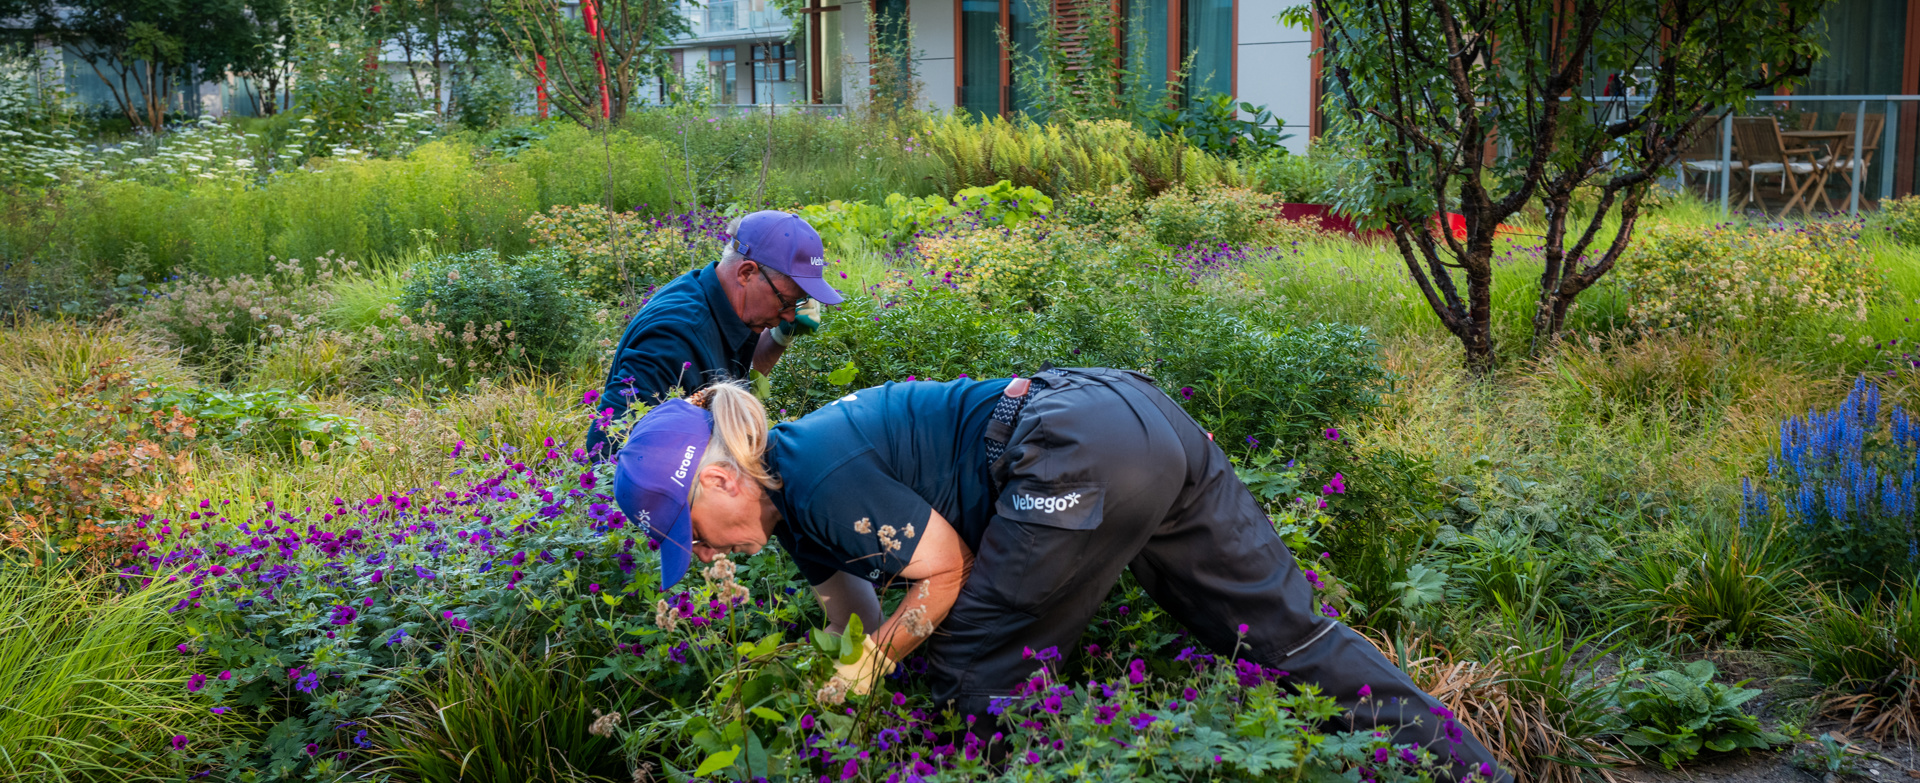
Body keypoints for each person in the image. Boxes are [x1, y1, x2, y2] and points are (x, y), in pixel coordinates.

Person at [611, 370, 1510, 781]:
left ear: (722, 478)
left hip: (1073, 450)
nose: (712, 555)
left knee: (965, 669)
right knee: (1285, 635)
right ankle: (1475, 772)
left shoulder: (819, 475)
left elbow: (940, 576)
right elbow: (858, 618)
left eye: (696, 531)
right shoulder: (800, 500)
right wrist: (842, 676)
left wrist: (881, 666)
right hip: (1138, 419)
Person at [583, 210, 842, 458]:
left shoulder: (730, 304)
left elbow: (736, 383)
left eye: (798, 303)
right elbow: (609, 445)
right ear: (746, 273)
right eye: (786, 301)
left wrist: (780, 337)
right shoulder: (672, 335)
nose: (789, 315)